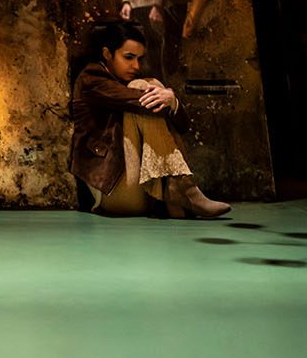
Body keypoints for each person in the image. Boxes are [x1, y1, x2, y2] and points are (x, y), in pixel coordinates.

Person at [70, 20, 230, 218]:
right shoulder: (91, 78)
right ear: (107, 54)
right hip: (111, 191)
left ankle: (176, 191)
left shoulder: (124, 79)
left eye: (139, 58)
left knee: (150, 85)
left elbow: (183, 126)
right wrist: (169, 98)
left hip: (143, 190)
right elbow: (150, 107)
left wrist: (172, 101)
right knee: (144, 88)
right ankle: (183, 190)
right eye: (128, 57)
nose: (135, 65)